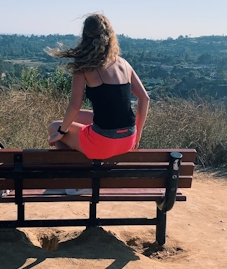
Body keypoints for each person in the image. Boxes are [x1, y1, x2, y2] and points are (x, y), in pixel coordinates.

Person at [47, 13, 150, 161]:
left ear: (85, 36)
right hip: (128, 140)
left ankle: (76, 173)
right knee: (80, 116)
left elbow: (75, 105)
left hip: (102, 144)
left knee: (53, 127)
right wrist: (137, 134)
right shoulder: (124, 63)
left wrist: (61, 132)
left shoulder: (83, 65)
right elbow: (145, 98)